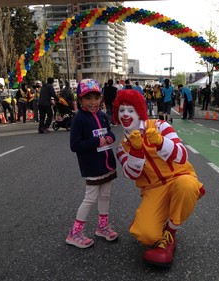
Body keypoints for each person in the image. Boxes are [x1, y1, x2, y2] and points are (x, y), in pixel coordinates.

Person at [112, 89, 205, 267]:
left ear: (139, 111)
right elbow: (131, 174)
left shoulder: (161, 126)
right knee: (145, 235)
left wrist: (161, 142)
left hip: (179, 179)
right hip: (153, 190)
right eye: (121, 110)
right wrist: (136, 150)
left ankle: (170, 233)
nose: (125, 114)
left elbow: (182, 155)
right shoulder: (122, 147)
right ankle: (149, 218)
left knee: (186, 185)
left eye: (130, 110)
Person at [66, 78, 118, 249]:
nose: (93, 102)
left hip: (106, 165)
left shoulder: (103, 116)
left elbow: (110, 133)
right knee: (90, 198)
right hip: (91, 166)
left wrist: (110, 137)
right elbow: (75, 145)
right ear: (80, 100)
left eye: (96, 98)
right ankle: (74, 233)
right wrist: (96, 141)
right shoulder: (79, 119)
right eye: (88, 98)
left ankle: (102, 227)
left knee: (105, 196)